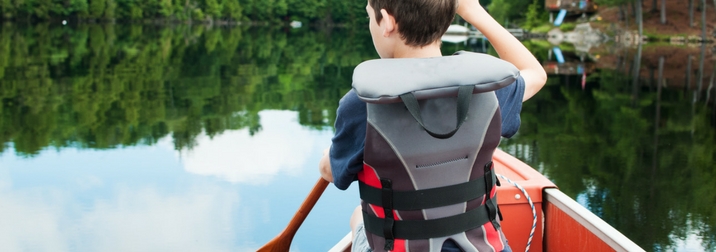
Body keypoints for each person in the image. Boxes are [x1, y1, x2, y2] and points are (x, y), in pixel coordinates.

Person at [319, 0, 547, 251]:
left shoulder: (362, 103)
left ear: (387, 21)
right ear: (447, 19)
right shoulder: (488, 88)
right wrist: (474, 12)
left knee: (358, 216)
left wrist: (328, 159)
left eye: (369, 18)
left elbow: (332, 172)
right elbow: (535, 73)